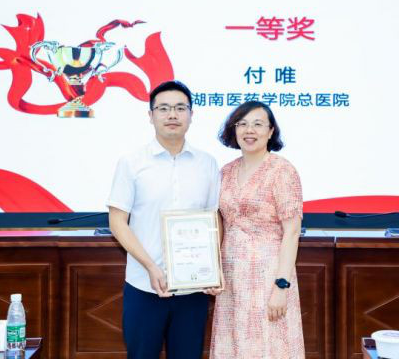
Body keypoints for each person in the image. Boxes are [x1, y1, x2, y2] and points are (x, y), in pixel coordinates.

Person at [107, 80, 220, 359]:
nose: (172, 115)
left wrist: (212, 267)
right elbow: (117, 221)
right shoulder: (131, 162)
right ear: (151, 115)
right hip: (144, 285)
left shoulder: (207, 163)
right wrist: (150, 266)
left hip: (193, 288)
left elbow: (213, 219)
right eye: (164, 108)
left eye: (180, 108)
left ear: (191, 115)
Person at [210, 101, 305, 358]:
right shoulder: (226, 172)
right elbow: (219, 223)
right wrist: (212, 271)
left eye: (258, 124)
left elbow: (292, 232)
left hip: (268, 277)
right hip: (231, 278)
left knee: (268, 345)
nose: (249, 130)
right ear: (234, 130)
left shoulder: (282, 171)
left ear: (271, 131)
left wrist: (281, 286)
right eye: (242, 124)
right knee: (234, 345)